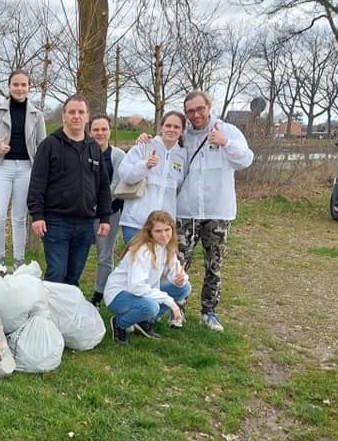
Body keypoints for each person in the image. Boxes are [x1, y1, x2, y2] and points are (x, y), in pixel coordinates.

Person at [177, 91, 254, 332]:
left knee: (214, 264)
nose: (195, 115)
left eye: (200, 109)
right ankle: (177, 309)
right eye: (190, 111)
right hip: (186, 210)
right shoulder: (183, 135)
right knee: (179, 263)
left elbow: (246, 159)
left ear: (209, 107)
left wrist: (226, 143)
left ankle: (208, 312)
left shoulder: (227, 131)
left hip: (218, 210)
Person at [27, 94, 112, 286]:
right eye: (72, 112)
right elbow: (37, 183)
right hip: (56, 221)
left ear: (87, 116)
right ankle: (49, 305)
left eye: (81, 112)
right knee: (57, 273)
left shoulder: (94, 148)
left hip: (85, 222)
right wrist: (37, 215)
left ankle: (67, 305)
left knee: (73, 276)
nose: (76, 116)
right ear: (63, 116)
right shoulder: (49, 145)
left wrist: (105, 217)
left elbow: (103, 186)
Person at [0, 69, 47, 269]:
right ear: (9, 87)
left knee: (19, 218)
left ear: (29, 87)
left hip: (26, 169)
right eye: (15, 84)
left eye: (23, 85)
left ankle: (18, 261)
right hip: (2, 168)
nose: (19, 88)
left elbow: (42, 146)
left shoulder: (37, 115)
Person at [104, 210, 191, 345]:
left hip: (141, 291)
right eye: (158, 231)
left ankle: (144, 321)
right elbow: (136, 287)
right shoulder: (143, 251)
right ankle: (120, 323)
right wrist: (170, 303)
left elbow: (176, 272)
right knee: (151, 307)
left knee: (184, 288)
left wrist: (180, 280)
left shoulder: (167, 247)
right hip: (119, 294)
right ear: (150, 232)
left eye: (167, 230)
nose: (164, 235)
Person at [119, 111, 187, 245]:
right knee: (135, 259)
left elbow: (179, 188)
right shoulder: (145, 146)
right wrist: (145, 166)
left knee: (159, 259)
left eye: (176, 127)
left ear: (182, 131)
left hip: (164, 228)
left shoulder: (183, 155)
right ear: (161, 127)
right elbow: (124, 174)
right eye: (168, 126)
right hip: (136, 223)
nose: (171, 130)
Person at [88, 114, 126, 307]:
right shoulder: (83, 152)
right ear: (90, 132)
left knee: (104, 255)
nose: (100, 133)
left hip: (109, 213)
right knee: (79, 251)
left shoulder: (118, 156)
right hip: (83, 213)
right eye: (96, 129)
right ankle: (70, 290)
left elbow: (117, 185)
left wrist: (98, 203)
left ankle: (98, 294)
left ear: (110, 131)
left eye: (104, 129)